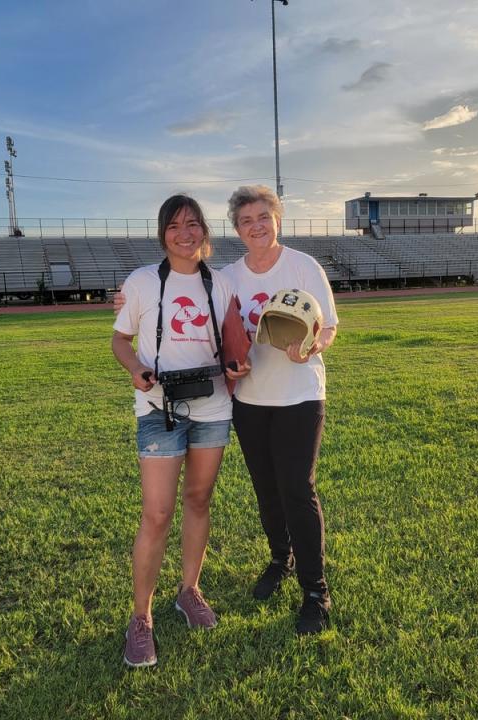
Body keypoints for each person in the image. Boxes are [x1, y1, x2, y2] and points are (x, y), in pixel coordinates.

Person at [111, 194, 248, 668]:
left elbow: (239, 329)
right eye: (174, 225)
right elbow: (119, 339)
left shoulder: (224, 281)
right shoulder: (142, 281)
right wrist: (135, 369)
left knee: (199, 500)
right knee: (157, 513)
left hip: (213, 406)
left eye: (193, 224)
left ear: (204, 231)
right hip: (158, 407)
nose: (184, 232)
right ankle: (141, 617)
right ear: (162, 233)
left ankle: (189, 590)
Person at [223, 185, 338, 635]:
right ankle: (280, 558)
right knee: (266, 488)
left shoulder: (303, 266)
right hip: (250, 399)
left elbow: (328, 326)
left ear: (277, 220)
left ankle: (316, 589)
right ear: (236, 229)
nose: (256, 226)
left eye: (263, 217)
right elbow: (219, 329)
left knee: (297, 487)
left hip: (299, 395)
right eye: (246, 220)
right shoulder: (230, 276)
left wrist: (312, 346)